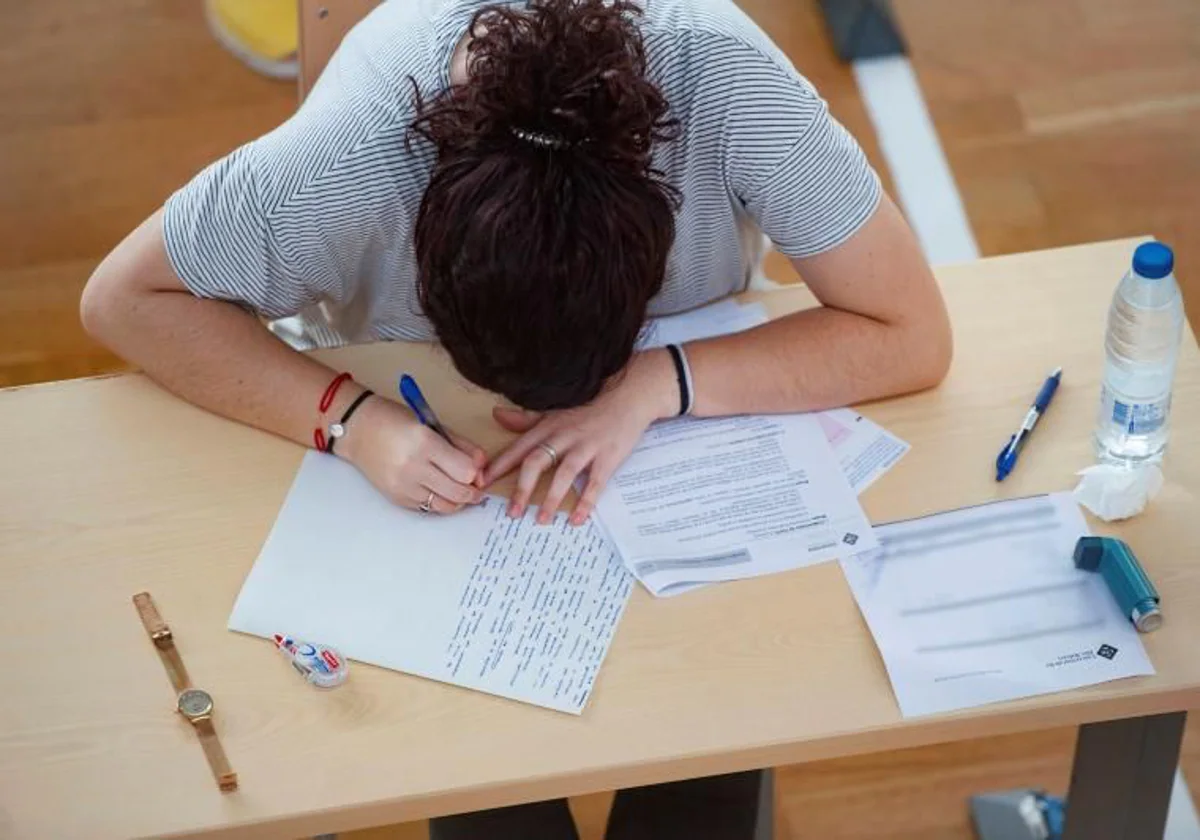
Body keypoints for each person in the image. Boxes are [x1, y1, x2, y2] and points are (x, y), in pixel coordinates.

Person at [82, 0, 951, 834]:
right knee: (484, 764)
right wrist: (350, 420)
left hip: (683, 445)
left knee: (712, 722)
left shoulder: (730, 79)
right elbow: (123, 300)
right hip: (407, 447)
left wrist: (652, 382)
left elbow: (912, 332)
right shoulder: (339, 160)